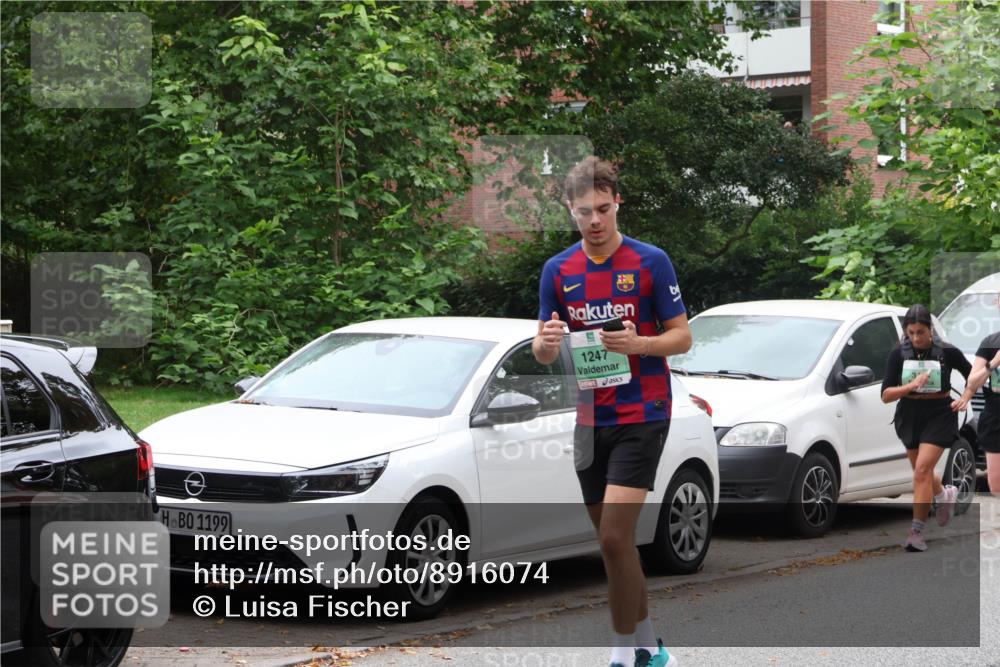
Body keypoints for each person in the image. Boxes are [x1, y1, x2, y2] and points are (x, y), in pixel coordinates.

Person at [533, 157, 691, 667]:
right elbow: (544, 352)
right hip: (588, 420)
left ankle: (623, 656)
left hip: (643, 413)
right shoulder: (558, 270)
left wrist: (640, 344)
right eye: (584, 212)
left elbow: (682, 337)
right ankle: (651, 647)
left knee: (614, 535)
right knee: (614, 548)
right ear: (570, 210)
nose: (595, 221)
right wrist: (545, 342)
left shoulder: (651, 261)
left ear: (617, 202)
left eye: (603, 209)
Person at [881, 304, 972, 551]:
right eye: (911, 333)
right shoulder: (899, 354)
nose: (916, 338)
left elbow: (972, 374)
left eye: (921, 332)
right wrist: (909, 387)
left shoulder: (947, 352)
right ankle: (944, 495)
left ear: (930, 329)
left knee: (921, 470)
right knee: (923, 471)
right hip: (909, 415)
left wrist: (966, 396)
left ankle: (916, 533)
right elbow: (886, 395)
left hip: (940, 413)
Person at [952, 294, 1000, 494]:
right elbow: (971, 382)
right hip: (995, 417)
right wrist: (994, 363)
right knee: (996, 484)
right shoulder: (990, 342)